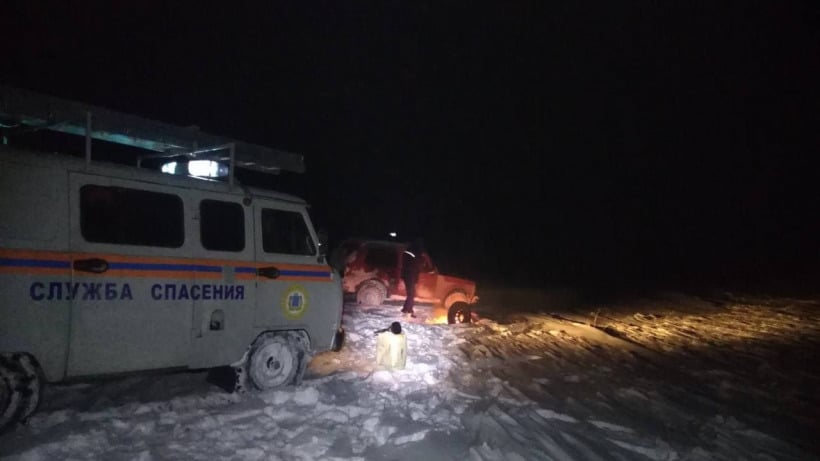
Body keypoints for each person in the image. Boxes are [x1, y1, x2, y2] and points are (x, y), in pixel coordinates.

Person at [400, 238, 424, 317]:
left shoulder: (409, 253)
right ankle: (409, 310)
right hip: (410, 275)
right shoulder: (413, 254)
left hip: (409, 275)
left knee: (411, 293)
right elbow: (416, 267)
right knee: (411, 294)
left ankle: (406, 308)